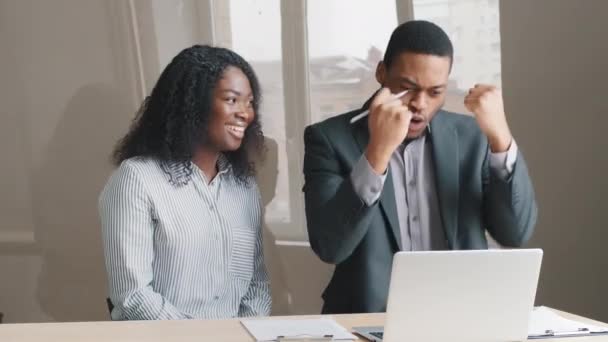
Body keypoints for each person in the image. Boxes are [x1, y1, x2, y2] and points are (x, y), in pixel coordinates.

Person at [303, 20, 537, 314]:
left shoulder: (471, 137)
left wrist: (501, 138)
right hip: (366, 322)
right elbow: (330, 246)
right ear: (381, 73)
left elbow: (515, 232)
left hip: (459, 319)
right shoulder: (328, 138)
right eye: (407, 88)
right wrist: (378, 151)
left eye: (435, 92)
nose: (420, 104)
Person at [99, 45, 271, 320]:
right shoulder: (136, 180)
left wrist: (240, 335)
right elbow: (133, 296)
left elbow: (257, 286)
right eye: (232, 100)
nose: (245, 114)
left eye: (249, 103)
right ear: (192, 104)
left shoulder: (244, 187)